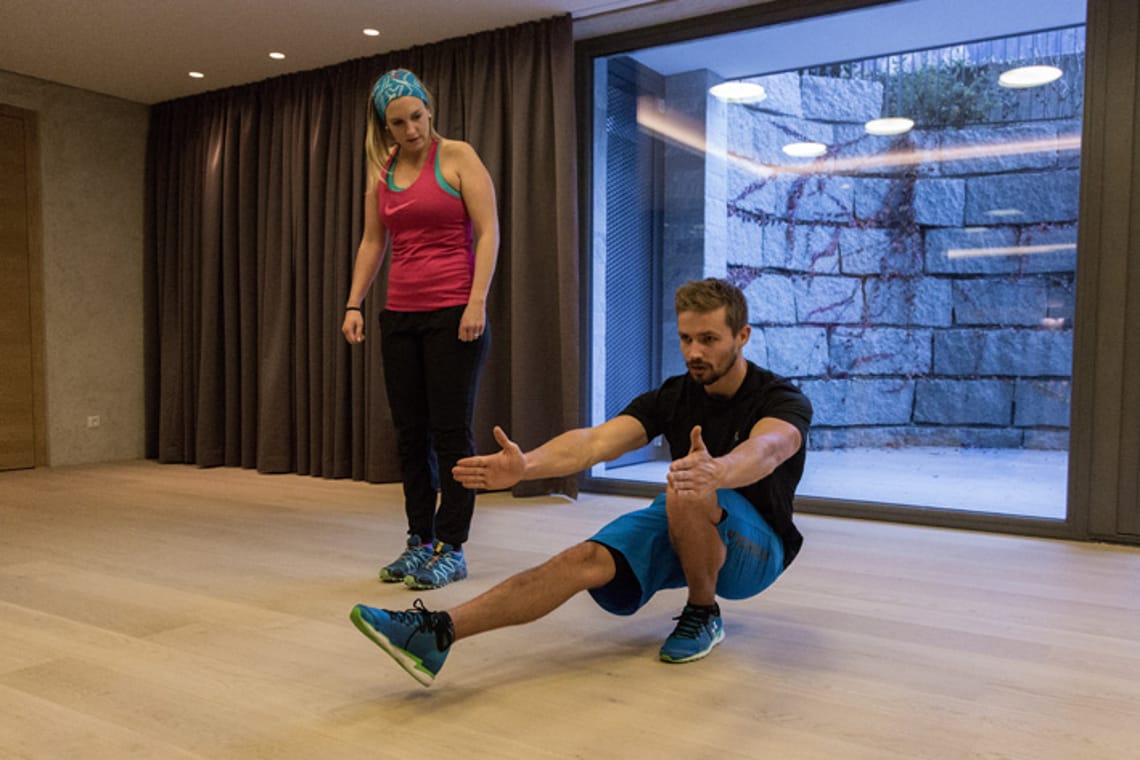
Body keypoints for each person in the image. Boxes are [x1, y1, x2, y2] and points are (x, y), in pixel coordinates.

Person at [349, 278, 812, 687]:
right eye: (686, 338)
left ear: (742, 336)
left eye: (709, 339)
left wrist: (718, 471)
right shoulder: (674, 395)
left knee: (686, 485)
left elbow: (770, 448)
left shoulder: (780, 398)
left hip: (756, 549)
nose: (694, 352)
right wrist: (526, 466)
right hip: (687, 518)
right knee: (582, 558)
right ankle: (436, 633)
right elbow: (594, 443)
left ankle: (702, 611)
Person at [342, 68, 499, 590]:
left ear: (429, 110)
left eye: (416, 116)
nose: (411, 129)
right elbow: (373, 242)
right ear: (384, 127)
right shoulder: (382, 171)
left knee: (451, 433)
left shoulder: (457, 157)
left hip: (454, 312)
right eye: (398, 123)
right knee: (410, 435)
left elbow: (488, 232)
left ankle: (452, 547)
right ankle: (420, 540)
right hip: (400, 316)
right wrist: (354, 303)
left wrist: (476, 301)